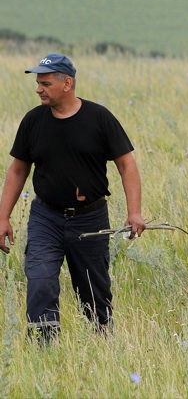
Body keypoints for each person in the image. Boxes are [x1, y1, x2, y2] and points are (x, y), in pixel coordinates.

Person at [0, 53, 146, 344]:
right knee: (40, 280)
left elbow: (126, 165)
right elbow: (18, 170)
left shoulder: (99, 118)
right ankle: (44, 346)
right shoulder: (33, 121)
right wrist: (2, 217)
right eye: (38, 83)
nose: (38, 89)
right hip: (46, 217)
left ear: (67, 83)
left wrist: (135, 212)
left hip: (90, 219)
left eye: (45, 83)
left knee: (94, 290)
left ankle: (103, 342)